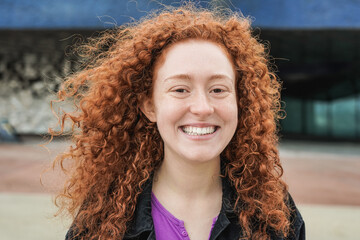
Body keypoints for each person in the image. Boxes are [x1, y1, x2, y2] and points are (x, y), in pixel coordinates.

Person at [52, 4, 305, 240]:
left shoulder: (276, 215)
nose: (202, 108)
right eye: (180, 89)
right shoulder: (102, 217)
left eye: (218, 89)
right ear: (149, 105)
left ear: (241, 102)